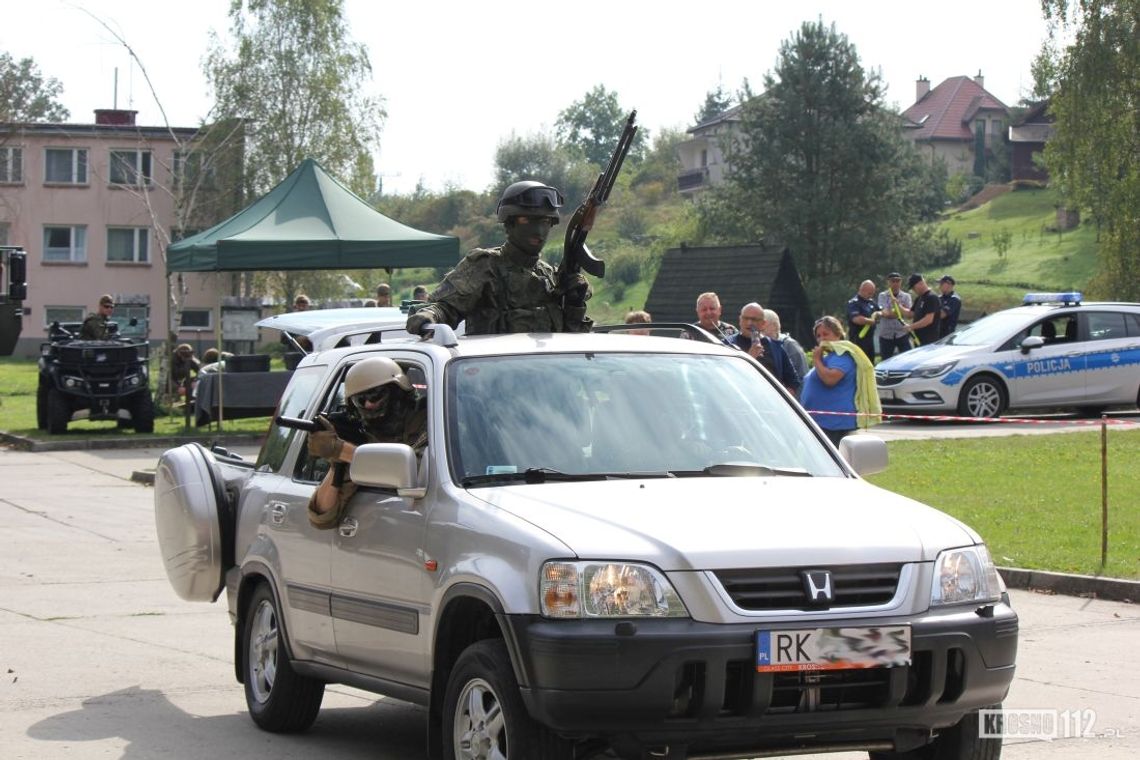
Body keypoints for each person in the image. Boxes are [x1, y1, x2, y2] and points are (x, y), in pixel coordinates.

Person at [406, 181, 592, 336]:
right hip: (492, 375)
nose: (538, 231)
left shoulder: (551, 277)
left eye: (545, 222)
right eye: (527, 221)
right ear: (509, 224)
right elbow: (446, 307)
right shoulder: (485, 266)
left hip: (546, 374)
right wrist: (430, 315)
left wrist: (575, 304)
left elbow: (571, 337)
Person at [306, 357, 428, 527]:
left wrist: (342, 450)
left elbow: (413, 473)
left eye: (375, 395)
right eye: (360, 400)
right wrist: (337, 462)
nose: (369, 404)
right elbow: (322, 516)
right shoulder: (363, 439)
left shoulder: (430, 422)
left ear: (397, 391)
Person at [799, 316, 880, 446]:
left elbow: (830, 379)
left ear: (838, 334)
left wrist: (816, 360)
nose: (822, 339)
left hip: (834, 423)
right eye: (818, 336)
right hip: (820, 421)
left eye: (826, 334)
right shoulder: (829, 357)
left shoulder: (843, 355)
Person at [730, 303, 799, 393]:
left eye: (754, 319)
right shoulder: (728, 345)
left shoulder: (775, 347)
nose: (749, 323)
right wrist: (750, 358)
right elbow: (724, 378)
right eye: (745, 318)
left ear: (763, 324)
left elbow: (793, 382)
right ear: (740, 320)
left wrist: (780, 401)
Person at [762, 308, 808, 390]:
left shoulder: (790, 345)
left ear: (774, 325)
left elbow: (802, 377)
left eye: (763, 324)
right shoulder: (758, 344)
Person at [877, 272, 913, 360]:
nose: (895, 283)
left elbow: (909, 315)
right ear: (888, 282)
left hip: (902, 333)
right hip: (886, 334)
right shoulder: (882, 296)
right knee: (885, 360)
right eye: (893, 281)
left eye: (898, 281)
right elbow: (885, 313)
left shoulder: (906, 296)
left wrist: (897, 309)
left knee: (908, 358)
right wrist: (901, 311)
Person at [846, 280, 880, 362]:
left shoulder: (871, 302)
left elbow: (880, 311)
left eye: (872, 293)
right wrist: (870, 321)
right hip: (858, 340)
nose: (871, 295)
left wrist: (880, 314)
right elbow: (856, 319)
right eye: (869, 293)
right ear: (862, 290)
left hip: (869, 339)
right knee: (860, 364)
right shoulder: (854, 303)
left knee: (870, 363)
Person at [905, 273, 943, 345]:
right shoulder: (919, 298)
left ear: (920, 283)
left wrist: (911, 327)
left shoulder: (931, 297)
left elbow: (928, 320)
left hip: (929, 340)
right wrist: (897, 305)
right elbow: (910, 314)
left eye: (913, 287)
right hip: (918, 339)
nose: (913, 290)